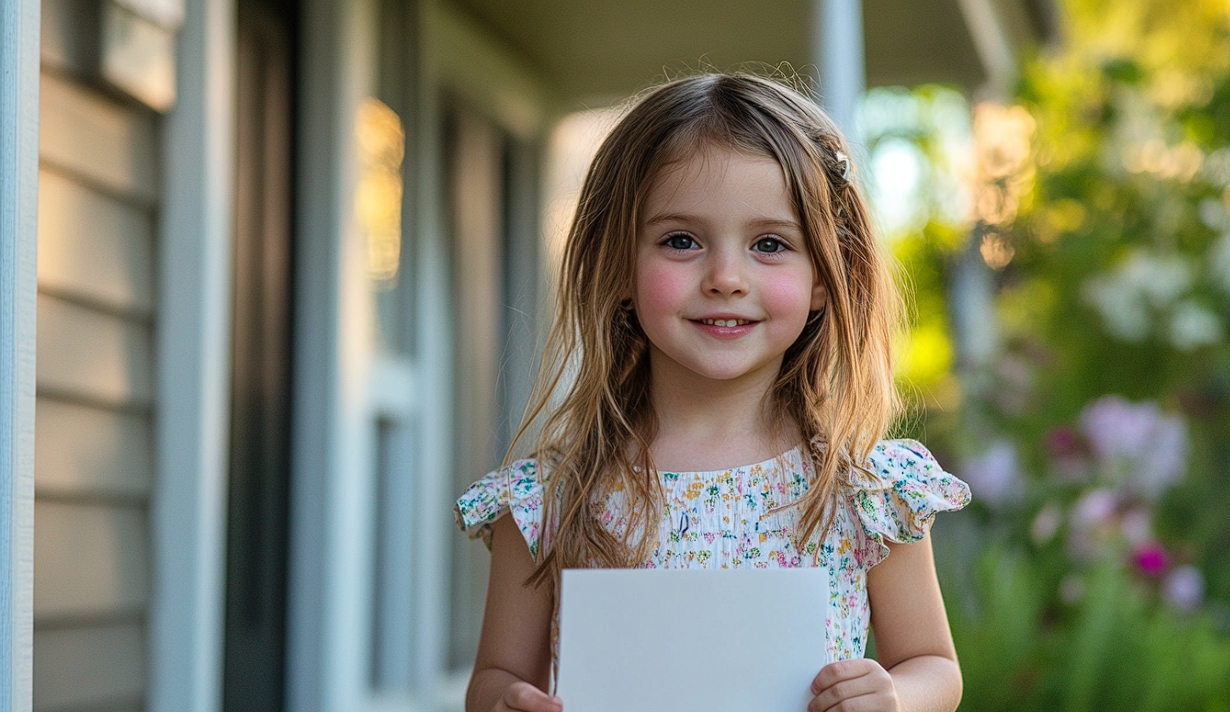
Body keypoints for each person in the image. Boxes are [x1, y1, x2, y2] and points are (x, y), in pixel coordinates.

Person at [454, 72, 971, 712]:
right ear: (619, 265)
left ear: (823, 276)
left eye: (769, 244)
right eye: (681, 240)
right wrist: (506, 702)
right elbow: (496, 677)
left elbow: (935, 666)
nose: (726, 277)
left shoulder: (865, 487)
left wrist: (892, 695)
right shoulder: (552, 498)